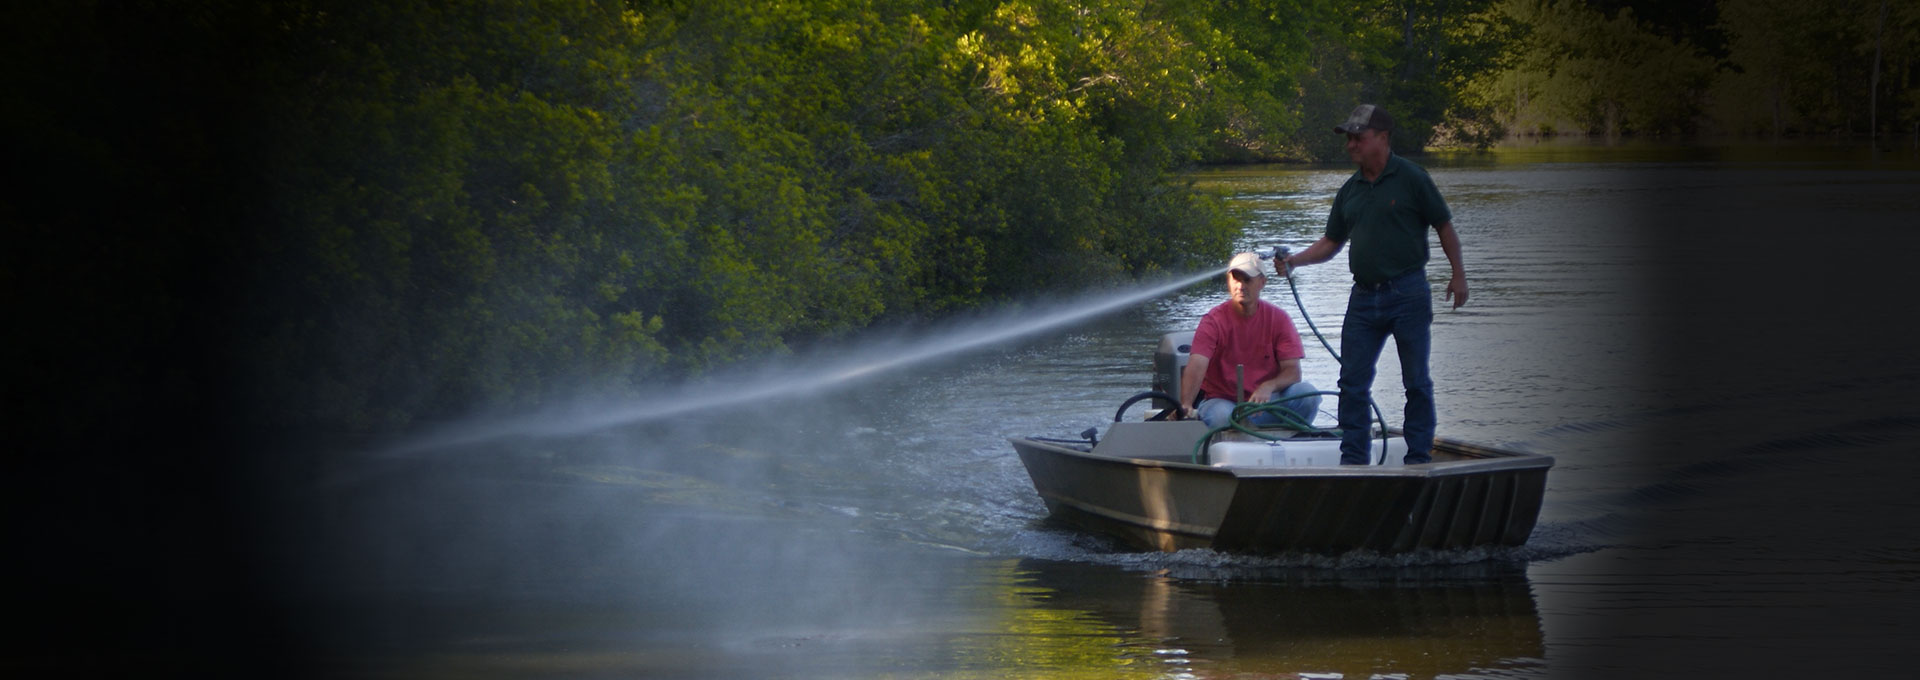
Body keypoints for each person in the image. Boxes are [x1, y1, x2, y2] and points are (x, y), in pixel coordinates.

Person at [1280, 104, 1466, 465]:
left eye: (1358, 138)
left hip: (1408, 293)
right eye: (1348, 138)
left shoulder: (1412, 178)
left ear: (1382, 138)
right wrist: (1294, 261)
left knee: (1416, 381)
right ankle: (1353, 459)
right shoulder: (1350, 190)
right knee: (1351, 383)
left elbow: (1443, 225)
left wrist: (1458, 274)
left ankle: (1417, 458)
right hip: (1363, 298)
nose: (1351, 145)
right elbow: (1331, 243)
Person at [1178, 252, 1323, 430]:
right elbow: (1197, 364)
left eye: (1247, 280)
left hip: (1267, 403)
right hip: (1223, 402)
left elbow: (1293, 373)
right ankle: (1229, 451)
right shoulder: (1212, 321)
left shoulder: (1279, 319)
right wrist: (1185, 405)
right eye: (1235, 279)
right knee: (1222, 417)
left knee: (1308, 394)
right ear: (1228, 282)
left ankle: (1290, 442)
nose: (1240, 286)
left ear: (1262, 282)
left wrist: (1268, 387)